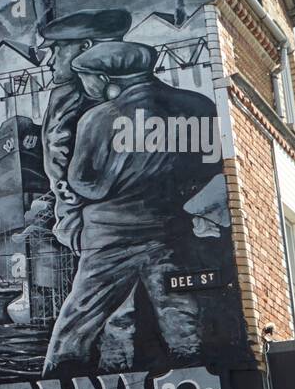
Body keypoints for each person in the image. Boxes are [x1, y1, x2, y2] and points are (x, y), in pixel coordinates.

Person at [44, 40, 217, 372]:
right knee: (182, 317)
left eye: (88, 77)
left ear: (108, 79)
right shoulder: (198, 105)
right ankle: (198, 384)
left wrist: (70, 190)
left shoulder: (98, 119)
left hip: (110, 237)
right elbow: (208, 166)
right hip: (172, 230)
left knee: (78, 324)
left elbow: (87, 184)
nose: (85, 85)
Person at [36, 9, 132, 252]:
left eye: (56, 49)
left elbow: (60, 166)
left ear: (84, 47)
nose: (50, 61)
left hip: (94, 234)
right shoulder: (135, 89)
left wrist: (76, 231)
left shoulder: (68, 97)